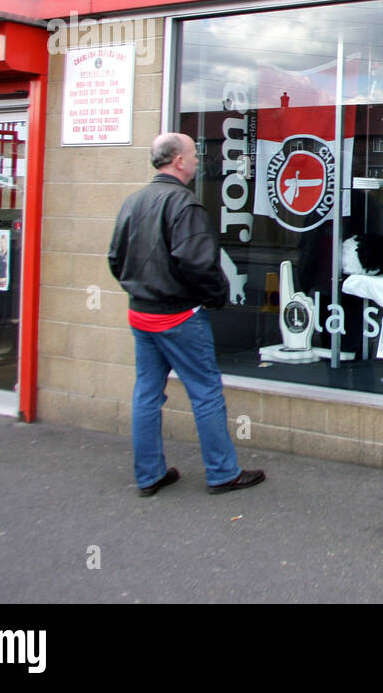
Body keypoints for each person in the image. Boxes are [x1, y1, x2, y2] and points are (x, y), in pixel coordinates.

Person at [108, 133, 266, 496]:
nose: (198, 161)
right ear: (178, 161)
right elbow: (199, 263)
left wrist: (139, 291)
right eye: (194, 155)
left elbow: (115, 259)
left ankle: (149, 475)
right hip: (179, 317)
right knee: (206, 393)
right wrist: (215, 297)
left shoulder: (133, 201)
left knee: (146, 394)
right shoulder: (184, 204)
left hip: (141, 315)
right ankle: (223, 473)